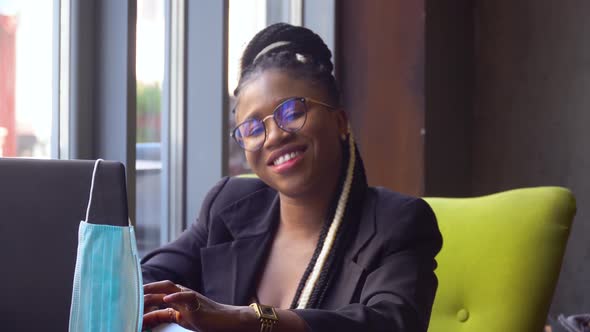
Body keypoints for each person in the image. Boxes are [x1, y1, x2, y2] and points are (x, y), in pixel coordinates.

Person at [141, 22, 442, 332]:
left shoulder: (397, 223)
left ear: (340, 122)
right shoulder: (229, 204)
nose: (272, 137)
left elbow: (391, 323)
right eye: (253, 129)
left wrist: (246, 319)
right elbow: (143, 281)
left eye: (292, 112)